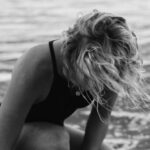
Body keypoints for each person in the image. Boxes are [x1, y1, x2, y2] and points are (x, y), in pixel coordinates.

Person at [0, 9, 146, 150]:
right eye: (93, 79)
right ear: (76, 61)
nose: (100, 86)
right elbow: (4, 134)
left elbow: (102, 117)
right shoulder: (36, 65)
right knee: (54, 140)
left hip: (50, 129)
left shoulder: (111, 65)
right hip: (10, 130)